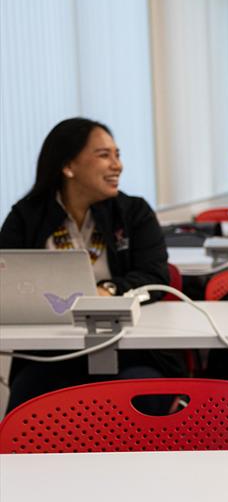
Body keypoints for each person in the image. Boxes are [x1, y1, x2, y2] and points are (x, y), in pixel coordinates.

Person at [0, 117, 184, 412]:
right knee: (27, 402)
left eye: (117, 155)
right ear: (68, 166)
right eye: (104, 155)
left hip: (130, 350)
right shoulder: (27, 216)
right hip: (53, 351)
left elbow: (156, 276)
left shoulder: (133, 212)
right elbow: (6, 278)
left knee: (143, 396)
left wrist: (108, 290)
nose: (117, 165)